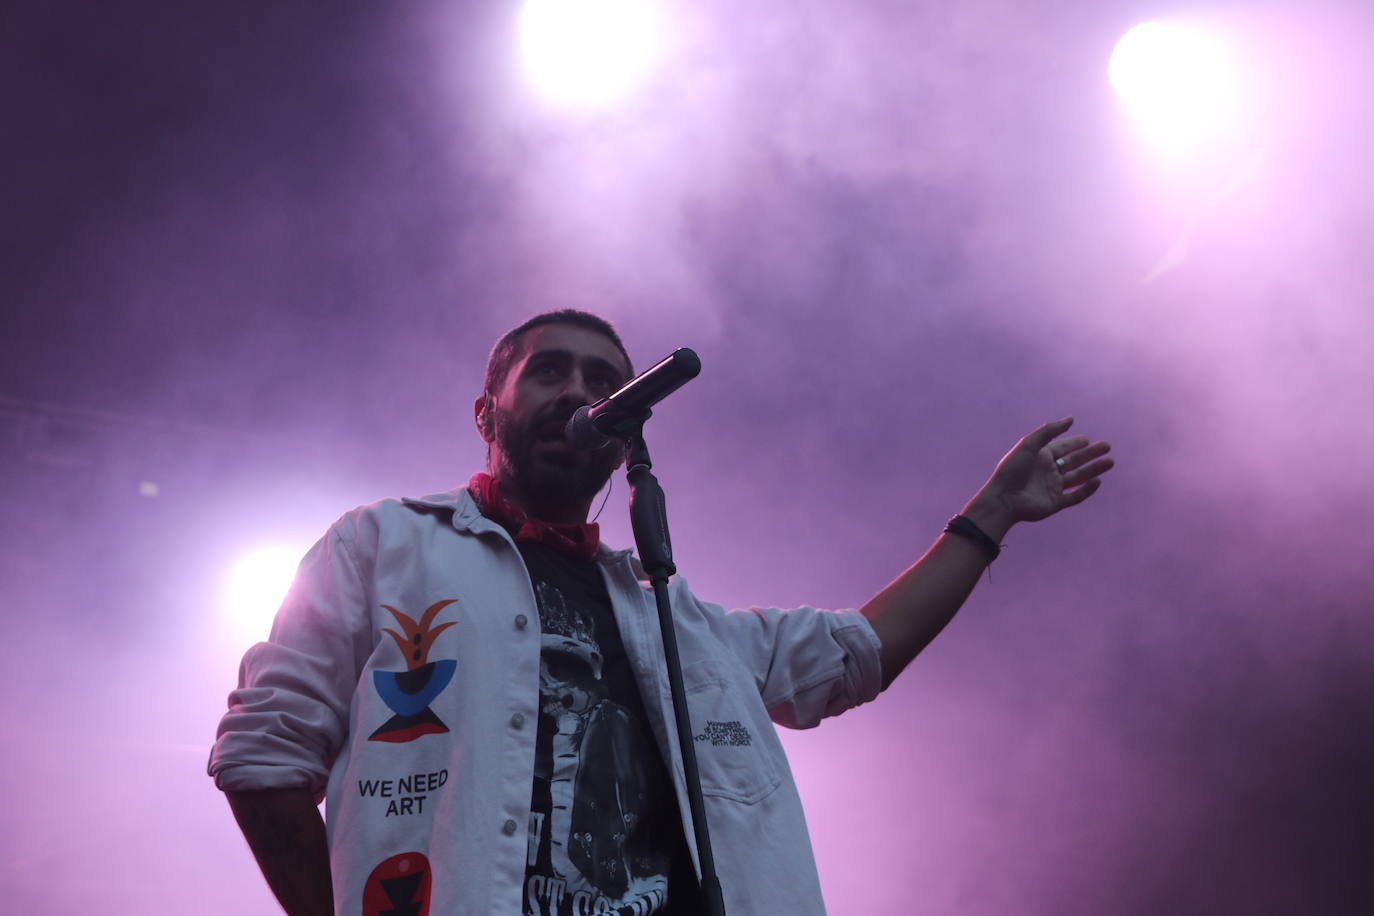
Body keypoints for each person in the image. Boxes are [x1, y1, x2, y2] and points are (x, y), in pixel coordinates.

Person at [209, 309, 1114, 916]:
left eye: (602, 378)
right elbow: (263, 757)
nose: (580, 390)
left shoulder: (674, 623)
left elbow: (856, 653)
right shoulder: (384, 546)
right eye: (550, 370)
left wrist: (989, 518)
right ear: (489, 410)